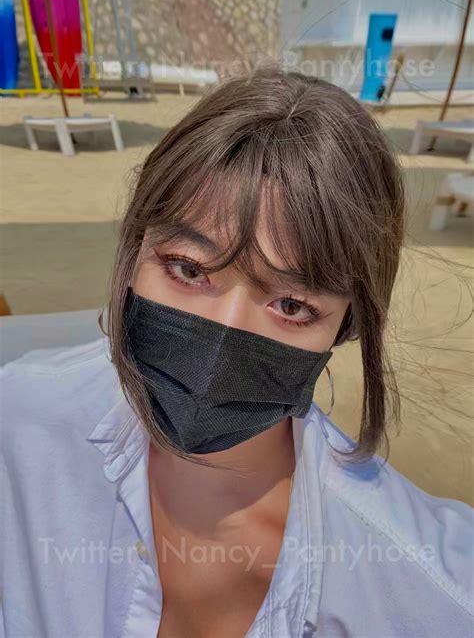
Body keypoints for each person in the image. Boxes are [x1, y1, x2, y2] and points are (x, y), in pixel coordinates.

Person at [1, 66, 472, 638]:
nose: (220, 338)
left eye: (292, 305)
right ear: (136, 247)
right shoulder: (19, 425)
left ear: (346, 325)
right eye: (187, 269)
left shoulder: (427, 589)